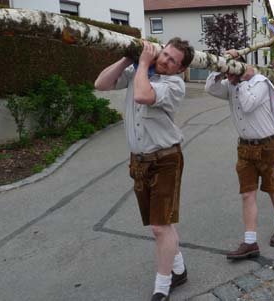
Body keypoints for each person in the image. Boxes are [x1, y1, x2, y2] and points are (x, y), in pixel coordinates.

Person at [94, 37, 194, 301]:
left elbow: (142, 95)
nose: (165, 60)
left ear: (179, 69)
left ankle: (163, 285)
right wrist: (129, 57)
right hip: (139, 161)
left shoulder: (174, 84)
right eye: (165, 54)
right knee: (159, 225)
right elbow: (101, 84)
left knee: (161, 227)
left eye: (173, 60)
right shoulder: (140, 70)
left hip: (166, 159)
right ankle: (179, 268)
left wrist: (143, 63)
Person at [205, 50, 274, 260]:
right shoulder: (229, 85)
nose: (228, 74)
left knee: (272, 188)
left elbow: (248, 105)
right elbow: (210, 88)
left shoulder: (260, 82)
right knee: (247, 193)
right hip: (245, 148)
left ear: (240, 67)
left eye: (231, 68)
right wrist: (219, 72)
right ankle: (250, 242)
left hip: (267, 146)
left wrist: (239, 80)